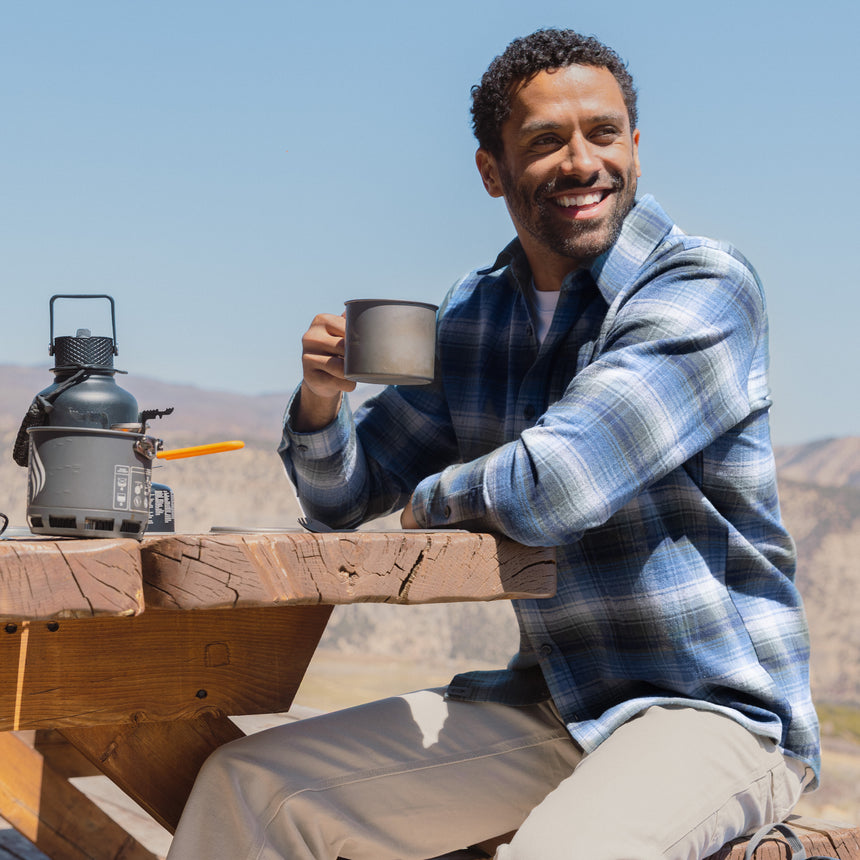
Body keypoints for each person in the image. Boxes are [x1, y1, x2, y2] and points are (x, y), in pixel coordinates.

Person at [167, 28, 820, 860]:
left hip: (717, 715)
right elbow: (340, 499)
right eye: (546, 142)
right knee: (250, 789)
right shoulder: (474, 316)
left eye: (604, 133)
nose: (583, 162)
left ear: (638, 150)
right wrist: (324, 404)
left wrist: (431, 502)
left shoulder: (701, 289)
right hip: (555, 704)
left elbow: (558, 488)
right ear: (492, 171)